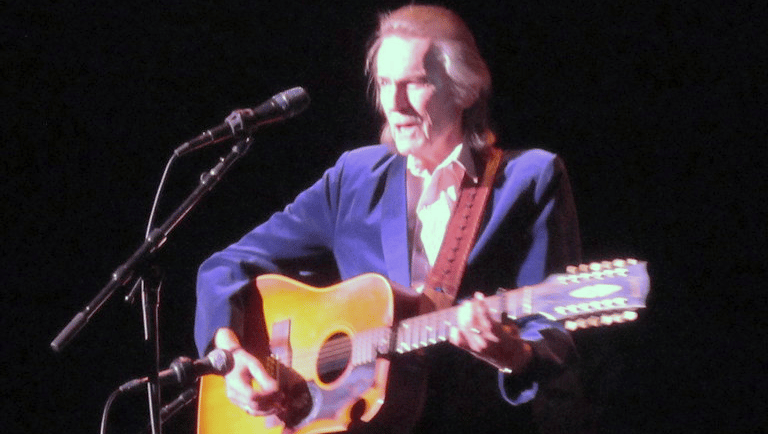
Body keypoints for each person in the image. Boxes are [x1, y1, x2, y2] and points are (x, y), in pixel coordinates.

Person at [195, 5, 586, 433]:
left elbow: (555, 339)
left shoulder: (529, 179)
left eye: (416, 83)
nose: (395, 104)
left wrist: (514, 356)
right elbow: (225, 266)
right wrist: (230, 358)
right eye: (384, 84)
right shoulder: (355, 179)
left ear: (466, 89)